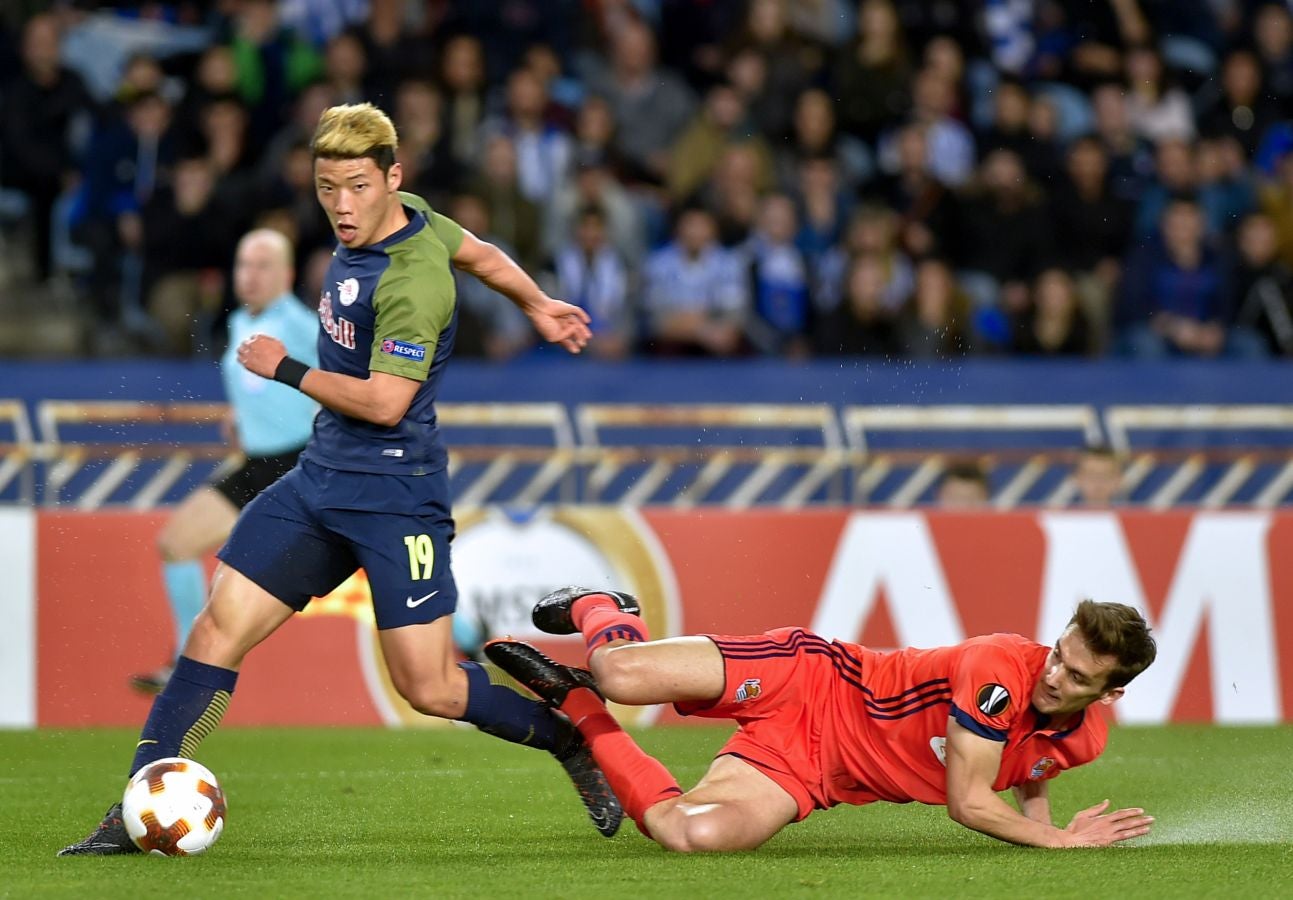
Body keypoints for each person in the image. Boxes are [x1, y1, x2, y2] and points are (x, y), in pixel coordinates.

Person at [59, 103, 617, 856]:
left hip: (396, 496)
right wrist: (537, 301)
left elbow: (387, 404)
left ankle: (568, 739)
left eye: (357, 187)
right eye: (328, 189)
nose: (343, 206)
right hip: (318, 482)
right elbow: (479, 250)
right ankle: (138, 805)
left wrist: (284, 369)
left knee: (428, 688)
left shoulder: (413, 283)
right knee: (215, 628)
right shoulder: (410, 216)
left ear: (393, 177)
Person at [486, 587, 1157, 852]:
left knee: (692, 835)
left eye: (1076, 676)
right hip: (813, 677)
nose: (1053, 674)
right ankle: (602, 607)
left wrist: (1040, 823)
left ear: (1108, 696)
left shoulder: (1086, 738)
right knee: (621, 675)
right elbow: (967, 800)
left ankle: (577, 716)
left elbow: (1029, 765)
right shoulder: (1000, 667)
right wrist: (1058, 842)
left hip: (816, 770)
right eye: (1059, 654)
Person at [129, 228, 319, 695]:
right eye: (243, 265)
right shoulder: (239, 323)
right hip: (260, 464)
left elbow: (341, 386)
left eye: (262, 266)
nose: (249, 276)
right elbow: (264, 392)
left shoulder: (302, 326)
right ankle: (184, 662)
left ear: (287, 274)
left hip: (298, 465)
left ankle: (468, 638)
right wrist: (243, 421)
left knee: (376, 566)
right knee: (176, 543)